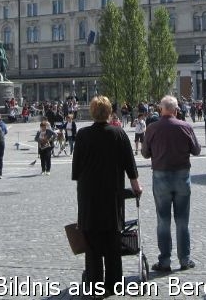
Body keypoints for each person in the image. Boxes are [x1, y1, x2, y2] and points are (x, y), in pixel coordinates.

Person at [72, 96, 142, 296]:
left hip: (89, 197)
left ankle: (95, 284)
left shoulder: (83, 135)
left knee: (92, 245)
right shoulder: (119, 134)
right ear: (110, 112)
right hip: (112, 196)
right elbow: (131, 166)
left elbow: (76, 171)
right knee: (113, 243)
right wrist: (136, 186)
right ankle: (114, 283)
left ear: (92, 113)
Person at [141, 95, 201, 273]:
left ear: (161, 109)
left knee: (163, 220)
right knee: (182, 220)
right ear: (176, 110)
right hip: (182, 175)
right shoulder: (185, 126)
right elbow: (196, 150)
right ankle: (185, 259)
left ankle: (165, 261)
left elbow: (144, 153)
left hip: (160, 176)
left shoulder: (152, 128)